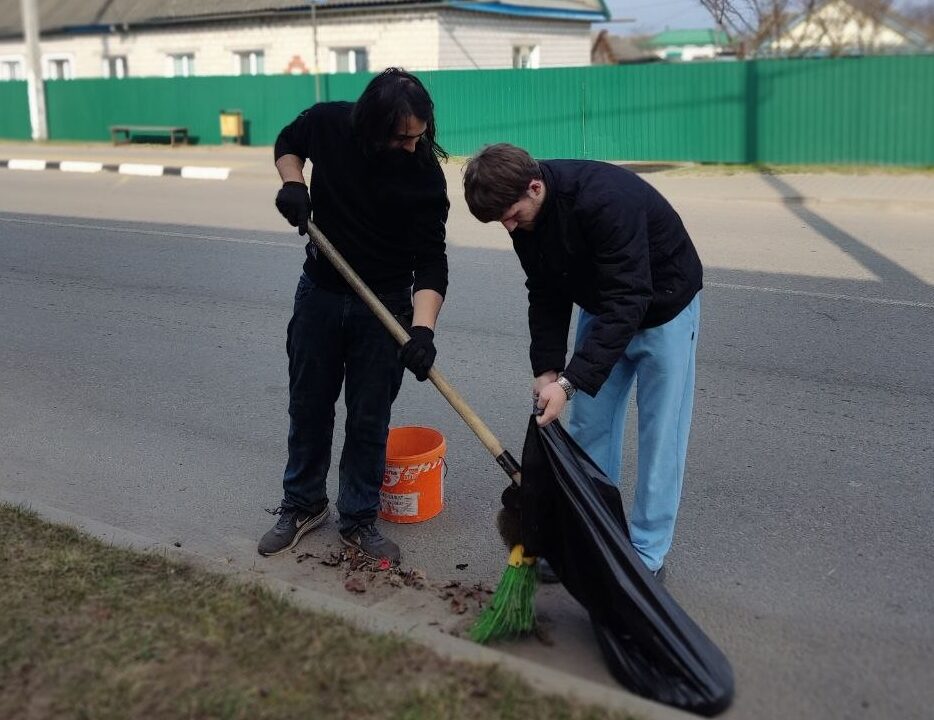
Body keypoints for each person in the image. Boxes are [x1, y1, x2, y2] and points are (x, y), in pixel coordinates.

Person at [463, 143, 702, 577]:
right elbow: (546, 291)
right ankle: (590, 541)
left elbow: (630, 298)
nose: (509, 226)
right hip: (602, 305)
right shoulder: (522, 218)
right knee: (589, 429)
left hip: (663, 308)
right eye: (500, 220)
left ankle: (646, 557)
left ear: (535, 187)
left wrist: (570, 383)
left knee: (660, 436)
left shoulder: (605, 200)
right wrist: (548, 369)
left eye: (512, 215)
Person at [258, 68, 450, 565]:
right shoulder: (329, 123)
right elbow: (288, 141)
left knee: (369, 419)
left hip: (384, 306)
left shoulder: (424, 173)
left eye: (420, 135)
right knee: (309, 406)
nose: (413, 146)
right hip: (320, 292)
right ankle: (303, 505)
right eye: (403, 137)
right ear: (372, 126)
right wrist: (293, 183)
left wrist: (422, 330)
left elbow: (432, 260)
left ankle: (359, 518)